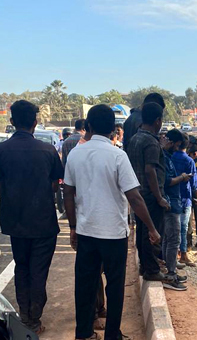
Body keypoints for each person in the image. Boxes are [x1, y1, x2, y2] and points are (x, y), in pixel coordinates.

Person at [64, 104, 161, 340]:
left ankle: (84, 333)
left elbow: (68, 193)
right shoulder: (118, 156)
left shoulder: (75, 154)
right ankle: (112, 335)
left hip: (87, 232)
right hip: (114, 235)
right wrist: (151, 228)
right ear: (113, 130)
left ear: (88, 126)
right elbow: (134, 197)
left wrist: (73, 227)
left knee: (85, 285)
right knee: (114, 287)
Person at [0, 100, 63, 335]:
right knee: (39, 270)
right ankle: (34, 318)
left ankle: (26, 315)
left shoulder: (3, 151)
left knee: (22, 268)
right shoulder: (47, 150)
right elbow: (56, 184)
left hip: (15, 222)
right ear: (35, 122)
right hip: (44, 221)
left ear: (12, 122)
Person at [127, 102, 171, 282]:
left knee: (143, 232)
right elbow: (150, 170)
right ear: (158, 121)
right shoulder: (151, 142)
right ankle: (152, 270)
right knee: (153, 234)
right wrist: (159, 197)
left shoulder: (135, 139)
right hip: (151, 196)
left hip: (138, 194)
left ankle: (145, 267)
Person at [161, 130, 191, 291]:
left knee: (168, 239)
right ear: (173, 143)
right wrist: (182, 177)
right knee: (173, 240)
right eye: (177, 144)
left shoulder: (169, 157)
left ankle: (169, 271)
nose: (178, 148)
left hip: (173, 201)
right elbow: (166, 181)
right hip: (170, 203)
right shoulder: (164, 157)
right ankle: (171, 275)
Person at [169, 130, 197, 266]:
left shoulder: (169, 157)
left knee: (172, 228)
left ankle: (173, 254)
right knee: (183, 227)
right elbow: (194, 184)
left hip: (171, 196)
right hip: (185, 198)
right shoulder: (189, 161)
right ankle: (183, 254)